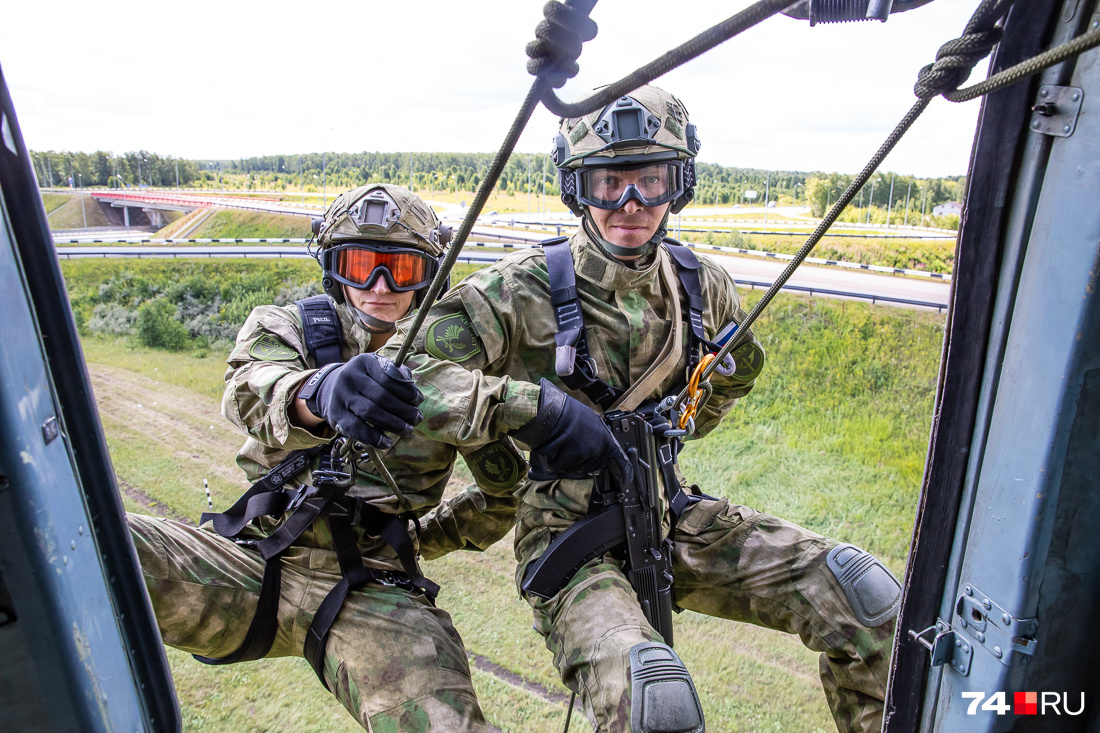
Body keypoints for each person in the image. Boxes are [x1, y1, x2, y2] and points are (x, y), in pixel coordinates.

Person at [382, 86, 902, 733]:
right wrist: (532, 409)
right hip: (571, 539)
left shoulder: (700, 285)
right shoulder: (518, 290)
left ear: (677, 185)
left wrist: (679, 425)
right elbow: (403, 376)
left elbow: (739, 369)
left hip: (669, 514)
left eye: (649, 182)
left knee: (865, 599)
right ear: (579, 190)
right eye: (609, 185)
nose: (630, 205)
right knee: (655, 702)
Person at [127, 183, 522, 731]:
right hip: (256, 559)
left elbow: (505, 491)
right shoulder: (288, 328)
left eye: (400, 270)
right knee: (88, 548)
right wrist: (319, 392)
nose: (378, 286)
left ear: (430, 277)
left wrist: (418, 536)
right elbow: (248, 386)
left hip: (376, 593)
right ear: (334, 268)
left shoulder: (454, 369)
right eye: (360, 265)